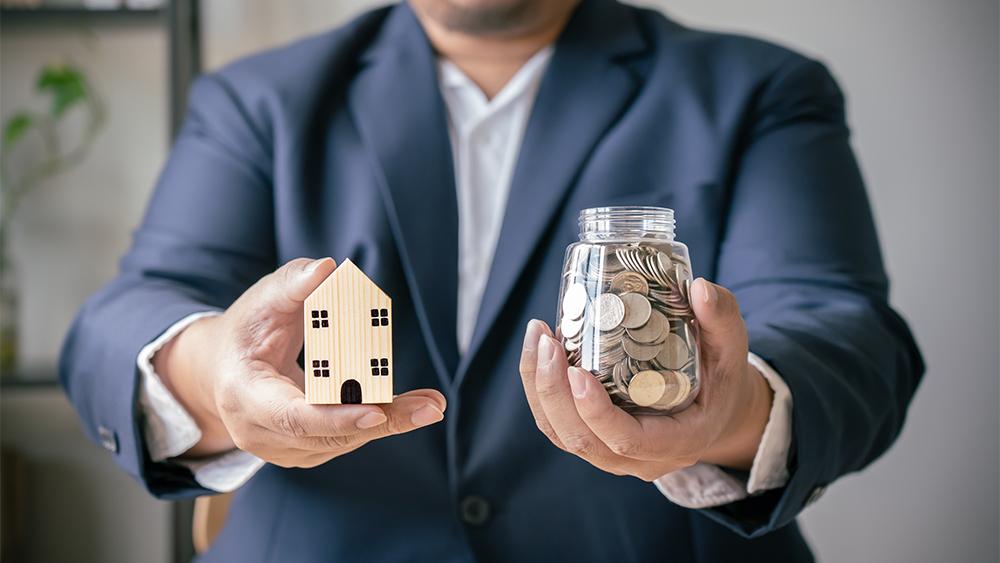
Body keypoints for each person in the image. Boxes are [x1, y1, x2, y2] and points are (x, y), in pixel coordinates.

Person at [60, 0, 924, 561]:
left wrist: (725, 415)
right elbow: (127, 314)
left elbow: (845, 333)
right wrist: (218, 377)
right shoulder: (257, 100)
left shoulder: (760, 89)